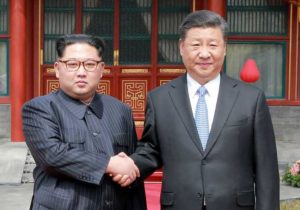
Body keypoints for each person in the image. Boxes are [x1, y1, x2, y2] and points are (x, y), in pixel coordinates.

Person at [116, 10, 280, 210]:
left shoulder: (251, 99)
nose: (204, 53)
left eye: (212, 45)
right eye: (195, 45)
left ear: (225, 48)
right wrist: (130, 166)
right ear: (182, 48)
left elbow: (267, 168)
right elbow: (152, 149)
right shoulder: (160, 98)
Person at [22, 34, 146, 210]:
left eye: (90, 64)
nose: (81, 72)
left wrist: (128, 174)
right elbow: (52, 156)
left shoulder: (121, 110)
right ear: (57, 68)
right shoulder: (39, 109)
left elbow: (130, 168)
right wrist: (109, 164)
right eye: (72, 64)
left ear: (101, 69)